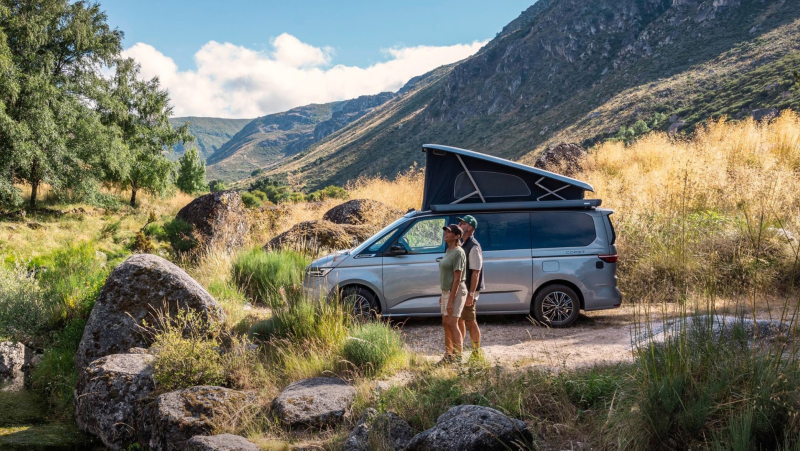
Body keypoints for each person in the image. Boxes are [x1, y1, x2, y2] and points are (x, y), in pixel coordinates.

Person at [437, 223, 467, 364]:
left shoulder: (458, 252)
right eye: (446, 231)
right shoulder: (449, 251)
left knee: (452, 323)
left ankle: (458, 358)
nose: (446, 233)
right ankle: (448, 355)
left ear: (457, 236)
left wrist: (450, 300)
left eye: (449, 232)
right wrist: (442, 295)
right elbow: (446, 276)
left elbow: (457, 279)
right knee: (445, 323)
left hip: (456, 291)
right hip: (446, 292)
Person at [457, 215, 484, 356]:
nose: (460, 225)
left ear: (471, 228)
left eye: (463, 223)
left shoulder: (473, 246)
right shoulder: (463, 244)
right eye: (460, 223)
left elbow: (476, 272)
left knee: (470, 321)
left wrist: (471, 294)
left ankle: (476, 352)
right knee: (460, 319)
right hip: (463, 290)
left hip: (469, 291)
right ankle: (459, 350)